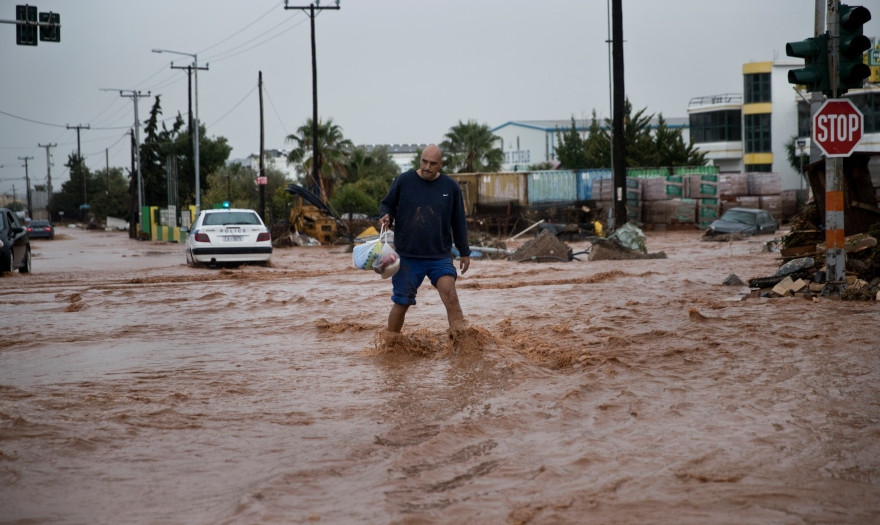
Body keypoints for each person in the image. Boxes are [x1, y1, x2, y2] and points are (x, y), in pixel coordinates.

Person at [377, 144, 472, 344]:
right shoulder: (404, 181)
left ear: (441, 164)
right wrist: (386, 216)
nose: (427, 167)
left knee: (451, 296)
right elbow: (387, 204)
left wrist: (464, 252)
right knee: (401, 303)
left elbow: (458, 221)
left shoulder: (451, 187)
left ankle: (464, 348)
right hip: (408, 257)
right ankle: (389, 347)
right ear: (420, 160)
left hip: (440, 256)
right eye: (424, 161)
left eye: (433, 163)